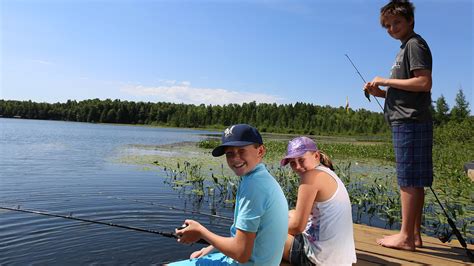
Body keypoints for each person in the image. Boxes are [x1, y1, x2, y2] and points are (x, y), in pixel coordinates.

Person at [364, 0, 433, 251]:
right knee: (414, 180)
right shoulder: (406, 47)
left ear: (410, 22)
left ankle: (405, 237)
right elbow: (407, 89)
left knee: (408, 180)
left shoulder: (415, 44)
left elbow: (424, 83)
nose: (392, 28)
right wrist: (381, 91)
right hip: (408, 119)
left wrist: (386, 80)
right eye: (388, 25)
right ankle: (413, 235)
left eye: (397, 23)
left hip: (410, 121)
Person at [169, 124, 289, 265]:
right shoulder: (260, 178)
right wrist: (211, 248)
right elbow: (245, 238)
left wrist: (201, 232)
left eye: (242, 151)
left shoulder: (254, 186)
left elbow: (241, 253)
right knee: (196, 256)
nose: (235, 158)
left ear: (260, 151)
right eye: (229, 153)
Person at [280, 136, 356, 266]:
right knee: (291, 213)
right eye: (293, 163)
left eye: (301, 160)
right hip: (342, 258)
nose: (297, 166)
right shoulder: (327, 172)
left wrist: (272, 227)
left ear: (316, 156)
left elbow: (298, 226)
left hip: (320, 260)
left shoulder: (309, 177)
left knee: (265, 233)